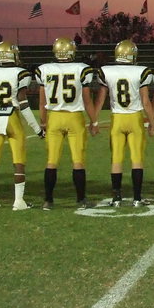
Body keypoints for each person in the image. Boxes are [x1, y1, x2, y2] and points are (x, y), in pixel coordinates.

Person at [37, 36, 105, 209]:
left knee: (51, 161)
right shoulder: (81, 69)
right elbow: (87, 100)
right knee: (78, 160)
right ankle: (81, 199)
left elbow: (42, 101)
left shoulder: (44, 69)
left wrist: (43, 122)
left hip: (54, 117)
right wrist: (94, 121)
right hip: (74, 117)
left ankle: (48, 200)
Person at [0, 42, 43, 210]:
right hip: (12, 118)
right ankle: (18, 201)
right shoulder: (20, 73)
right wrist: (37, 129)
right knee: (18, 161)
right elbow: (23, 104)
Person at [99, 39, 154, 206]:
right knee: (137, 159)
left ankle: (116, 198)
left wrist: (94, 121)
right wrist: (152, 122)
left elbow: (102, 98)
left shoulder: (107, 71)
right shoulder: (140, 72)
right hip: (134, 118)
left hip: (117, 118)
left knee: (116, 159)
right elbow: (146, 101)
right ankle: (137, 198)